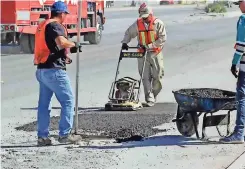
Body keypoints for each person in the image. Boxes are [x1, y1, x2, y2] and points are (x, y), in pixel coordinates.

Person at [34, 1, 82, 146]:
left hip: (42, 69)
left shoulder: (43, 25)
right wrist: (74, 44)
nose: (66, 17)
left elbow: (51, 46)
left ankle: (42, 137)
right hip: (54, 71)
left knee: (44, 105)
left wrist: (64, 55)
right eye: (65, 14)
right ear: (62, 13)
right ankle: (64, 135)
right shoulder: (55, 25)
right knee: (68, 101)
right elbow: (61, 41)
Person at [121, 3, 167, 107]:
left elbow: (162, 39)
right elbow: (129, 33)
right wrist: (125, 42)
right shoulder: (138, 23)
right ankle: (149, 98)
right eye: (143, 17)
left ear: (151, 14)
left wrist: (150, 45)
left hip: (155, 53)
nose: (145, 19)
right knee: (145, 76)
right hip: (142, 53)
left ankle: (154, 93)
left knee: (158, 76)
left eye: (146, 17)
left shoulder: (158, 23)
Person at [219, 0, 245, 144]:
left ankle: (239, 133)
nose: (239, 7)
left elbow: (241, 46)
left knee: (241, 97)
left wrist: (234, 64)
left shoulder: (243, 19)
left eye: (240, 3)